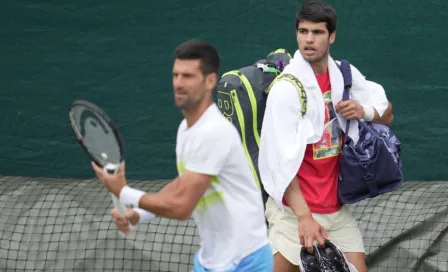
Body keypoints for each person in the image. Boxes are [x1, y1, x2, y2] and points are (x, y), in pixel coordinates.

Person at [92, 40, 273, 272]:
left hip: (246, 262)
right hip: (209, 262)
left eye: (187, 76)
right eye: (175, 75)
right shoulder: (186, 130)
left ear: (210, 81)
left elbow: (182, 207)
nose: (178, 83)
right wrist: (139, 214)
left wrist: (124, 192)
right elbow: (183, 184)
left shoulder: (214, 132)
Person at [258, 1, 393, 272]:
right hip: (294, 213)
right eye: (303, 31)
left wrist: (363, 111)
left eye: (317, 32)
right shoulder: (286, 90)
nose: (309, 39)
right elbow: (279, 162)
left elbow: (386, 113)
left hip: (336, 210)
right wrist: (304, 217)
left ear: (331, 36)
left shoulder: (344, 75)